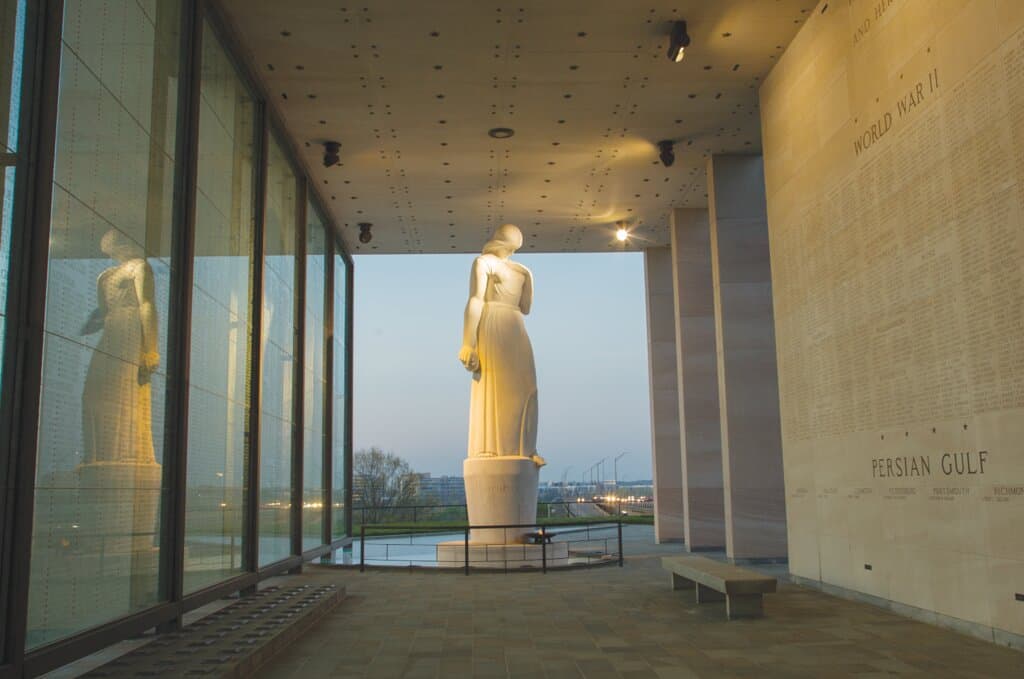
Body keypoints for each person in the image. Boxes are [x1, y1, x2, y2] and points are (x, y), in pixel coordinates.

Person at [459, 224, 544, 467]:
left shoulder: (523, 271)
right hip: (492, 323)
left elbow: (525, 307)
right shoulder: (484, 262)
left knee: (526, 386)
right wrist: (468, 343)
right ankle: (490, 447)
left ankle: (525, 447)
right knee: (495, 384)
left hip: (515, 326)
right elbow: (475, 300)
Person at [80, 229, 159, 464]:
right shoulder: (105, 276)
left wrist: (150, 349)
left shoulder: (139, 268)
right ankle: (99, 454)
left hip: (129, 333)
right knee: (95, 394)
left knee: (126, 390)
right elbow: (107, 312)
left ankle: (124, 454)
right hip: (115, 334)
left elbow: (146, 305)